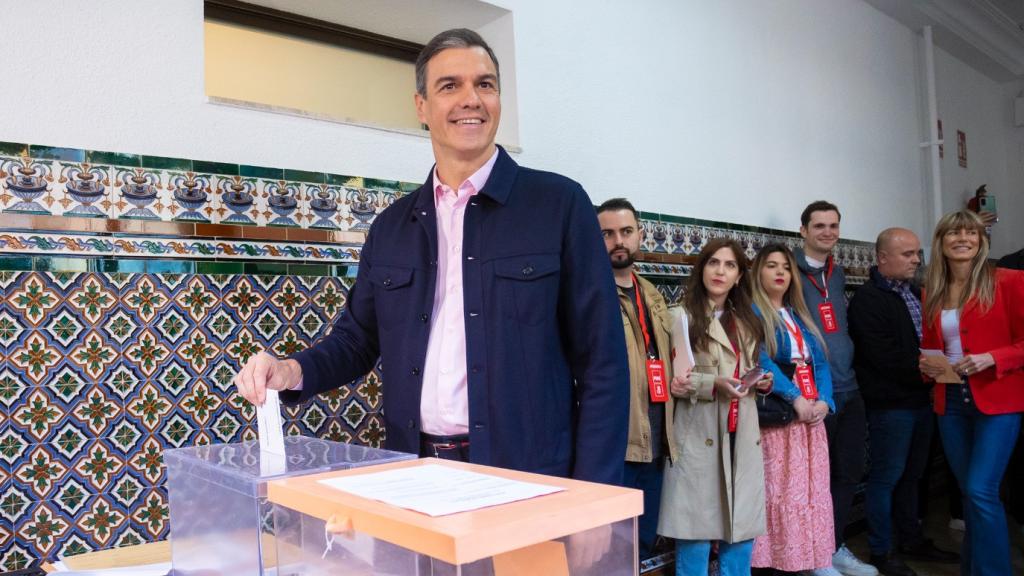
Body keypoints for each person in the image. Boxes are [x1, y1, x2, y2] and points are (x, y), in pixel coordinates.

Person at [232, 28, 628, 485]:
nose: (471, 99)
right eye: (449, 85)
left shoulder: (559, 205)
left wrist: (595, 495)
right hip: (416, 474)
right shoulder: (392, 227)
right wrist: (289, 370)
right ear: (421, 106)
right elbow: (357, 340)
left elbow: (604, 363)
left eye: (485, 84)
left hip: (532, 480)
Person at [918, 210, 1024, 576]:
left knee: (980, 491)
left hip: (998, 401)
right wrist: (927, 366)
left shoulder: (1010, 281)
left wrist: (992, 358)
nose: (962, 238)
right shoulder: (931, 289)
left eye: (971, 233)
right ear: (941, 241)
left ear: (982, 241)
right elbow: (932, 346)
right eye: (953, 233)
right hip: (951, 403)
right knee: (970, 495)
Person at [847, 228, 958, 576]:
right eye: (908, 254)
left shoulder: (915, 293)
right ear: (882, 258)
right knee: (887, 477)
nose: (915, 260)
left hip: (921, 401)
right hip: (891, 406)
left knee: (913, 475)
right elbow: (883, 356)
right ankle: (882, 550)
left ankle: (912, 540)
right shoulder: (868, 299)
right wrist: (933, 370)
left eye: (917, 254)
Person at [659, 238, 771, 576]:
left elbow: (749, 367)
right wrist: (712, 384)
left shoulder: (748, 320)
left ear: (739, 276)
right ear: (702, 268)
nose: (720, 271)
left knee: (740, 537)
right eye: (713, 263)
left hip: (741, 436)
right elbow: (670, 380)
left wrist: (761, 383)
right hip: (699, 437)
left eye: (730, 265)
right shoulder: (679, 316)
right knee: (696, 536)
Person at [793, 201, 875, 576]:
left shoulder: (837, 272)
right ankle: (814, 555)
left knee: (848, 472)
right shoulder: (790, 271)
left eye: (833, 226)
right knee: (816, 478)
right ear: (803, 230)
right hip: (813, 392)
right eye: (819, 225)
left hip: (849, 387)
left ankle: (834, 545)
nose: (827, 232)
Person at [597, 198, 676, 560]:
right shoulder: (589, 293)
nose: (619, 241)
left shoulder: (652, 294)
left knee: (642, 545)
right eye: (608, 233)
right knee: (610, 549)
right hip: (617, 443)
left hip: (658, 438)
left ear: (640, 236)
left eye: (626, 232)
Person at [750, 243, 836, 574]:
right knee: (782, 493)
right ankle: (778, 560)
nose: (780, 273)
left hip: (811, 422)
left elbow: (821, 362)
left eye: (785, 267)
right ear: (758, 272)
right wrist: (795, 397)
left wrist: (825, 401)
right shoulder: (753, 313)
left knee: (810, 492)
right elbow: (760, 357)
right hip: (781, 423)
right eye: (771, 266)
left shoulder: (798, 314)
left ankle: (810, 558)